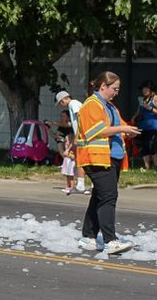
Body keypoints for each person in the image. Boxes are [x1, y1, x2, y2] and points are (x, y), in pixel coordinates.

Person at [75, 72, 141, 254]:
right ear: (103, 85)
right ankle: (110, 240)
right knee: (108, 197)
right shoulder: (92, 104)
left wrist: (127, 131)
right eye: (114, 89)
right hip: (96, 158)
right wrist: (122, 128)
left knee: (100, 196)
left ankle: (88, 236)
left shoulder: (109, 106)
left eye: (118, 89)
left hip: (110, 157)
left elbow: (117, 125)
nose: (116, 93)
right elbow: (96, 131)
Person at [54, 91, 85, 193]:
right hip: (81, 135)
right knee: (80, 160)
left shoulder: (73, 104)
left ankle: (81, 185)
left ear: (63, 100)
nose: (61, 105)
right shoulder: (75, 104)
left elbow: (80, 119)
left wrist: (77, 135)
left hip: (81, 136)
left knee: (81, 160)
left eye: (60, 102)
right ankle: (82, 184)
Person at [135, 80, 157, 171]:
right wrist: (134, 117)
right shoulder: (142, 99)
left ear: (151, 89)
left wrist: (150, 108)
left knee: (150, 143)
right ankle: (147, 166)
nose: (144, 91)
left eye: (146, 89)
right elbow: (139, 111)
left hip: (154, 125)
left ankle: (156, 165)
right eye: (143, 89)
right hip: (143, 125)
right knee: (144, 144)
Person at [58, 116, 79, 194]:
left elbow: (73, 146)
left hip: (71, 158)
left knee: (71, 174)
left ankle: (72, 186)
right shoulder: (67, 136)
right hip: (67, 158)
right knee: (67, 173)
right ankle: (68, 186)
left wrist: (68, 151)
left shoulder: (73, 139)